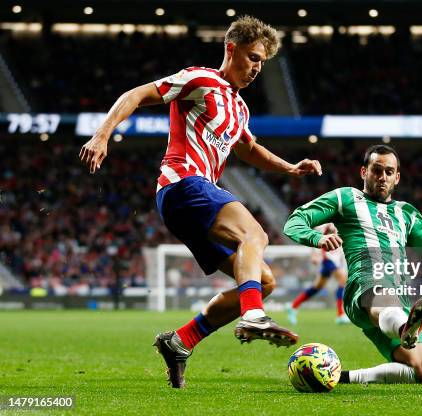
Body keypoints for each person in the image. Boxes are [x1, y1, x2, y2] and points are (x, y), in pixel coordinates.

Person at [79, 16, 322, 388]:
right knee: (255, 236)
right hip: (182, 184)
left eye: (262, 63)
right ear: (232, 48)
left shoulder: (240, 109)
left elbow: (250, 149)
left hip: (193, 199)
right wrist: (102, 135)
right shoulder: (200, 79)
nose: (257, 68)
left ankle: (181, 341)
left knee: (262, 279)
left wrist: (291, 168)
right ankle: (254, 316)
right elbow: (136, 95)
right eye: (253, 57)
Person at [283, 145, 422, 384]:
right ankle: (404, 327)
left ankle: (337, 377)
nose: (382, 177)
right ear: (363, 172)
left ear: (397, 177)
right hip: (365, 283)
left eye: (389, 172)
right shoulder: (345, 198)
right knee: (383, 295)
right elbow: (295, 222)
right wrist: (318, 238)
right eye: (376, 170)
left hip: (398, 299)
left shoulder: (406, 213)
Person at [286, 223, 351, 325]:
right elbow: (314, 238)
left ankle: (293, 306)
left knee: (318, 286)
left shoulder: (340, 220)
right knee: (343, 281)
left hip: (336, 258)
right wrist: (314, 255)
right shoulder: (323, 223)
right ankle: (340, 315)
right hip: (327, 258)